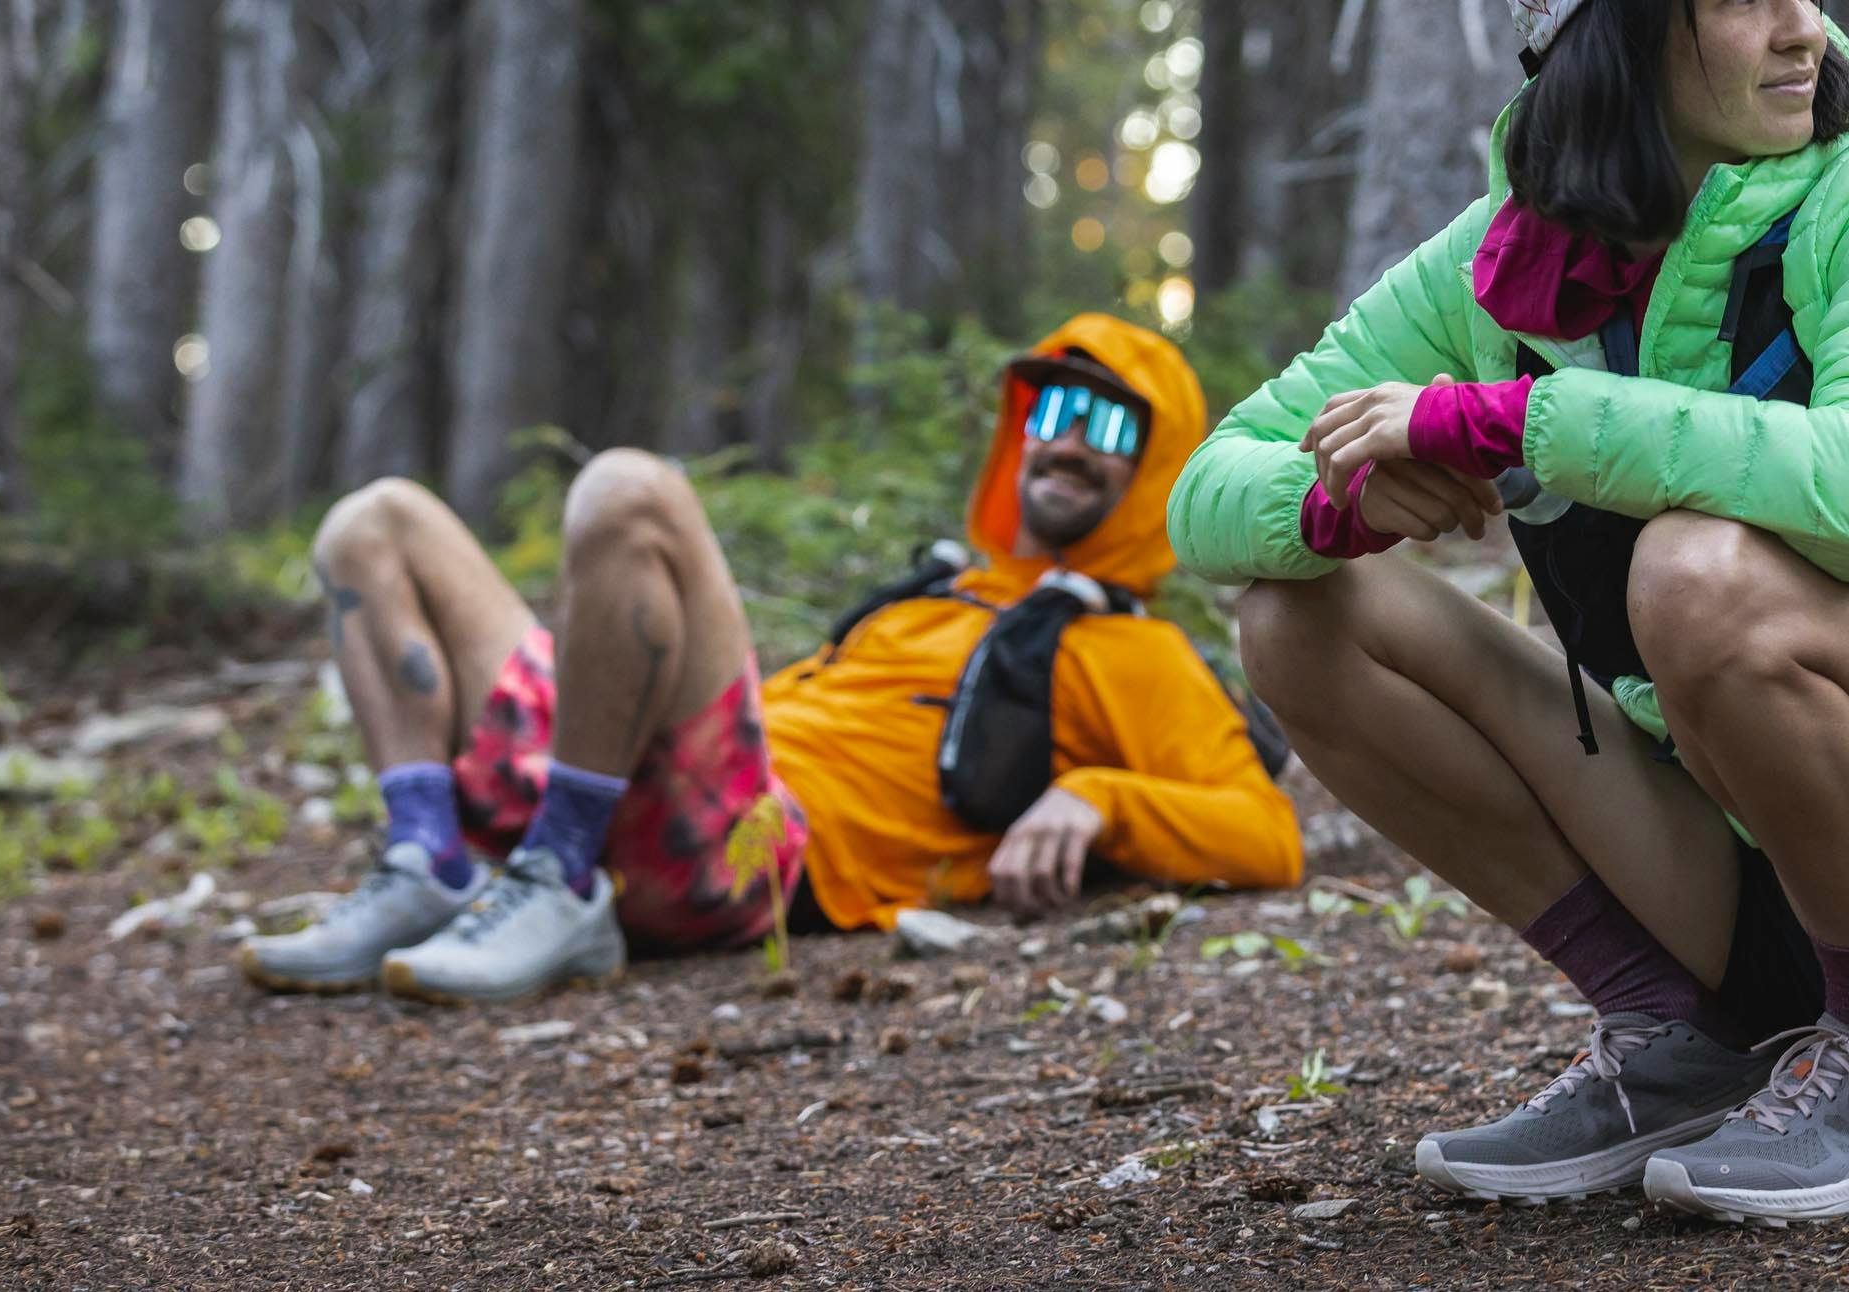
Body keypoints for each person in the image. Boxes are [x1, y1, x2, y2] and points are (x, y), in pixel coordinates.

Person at [1167, 0, 1849, 1225]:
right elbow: (1205, 490)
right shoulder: (1499, 264)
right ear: (1618, 44)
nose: (1804, 29)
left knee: (1700, 569)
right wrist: (1341, 498)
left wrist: (1515, 426)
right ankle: (1677, 1036)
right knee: (1298, 614)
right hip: (1745, 867)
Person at [244, 312, 1301, 1005]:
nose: (1070, 439)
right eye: (1055, 410)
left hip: (742, 847)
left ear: (1156, 460)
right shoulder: (937, 594)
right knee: (374, 521)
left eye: (1111, 421)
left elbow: (1267, 836)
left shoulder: (1128, 647)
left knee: (629, 492)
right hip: (626, 780)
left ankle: (563, 876)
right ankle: (432, 856)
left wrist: (1099, 798)